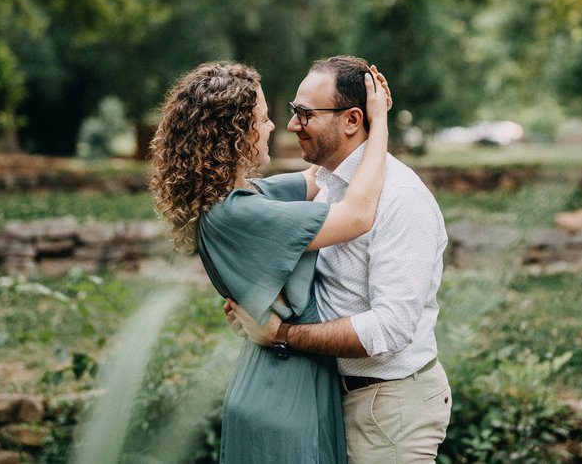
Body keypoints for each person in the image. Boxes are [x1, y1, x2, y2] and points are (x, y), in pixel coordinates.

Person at [148, 60, 391, 464]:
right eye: (262, 119)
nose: (275, 127)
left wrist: (353, 120)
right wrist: (379, 122)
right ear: (237, 133)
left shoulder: (238, 199)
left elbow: (320, 178)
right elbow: (357, 215)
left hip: (278, 381)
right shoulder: (241, 214)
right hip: (285, 396)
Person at [229, 55, 452, 463]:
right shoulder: (328, 182)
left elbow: (388, 331)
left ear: (352, 120)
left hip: (388, 406)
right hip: (339, 396)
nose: (292, 124)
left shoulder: (401, 199)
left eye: (304, 114)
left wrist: (281, 334)